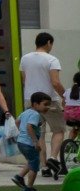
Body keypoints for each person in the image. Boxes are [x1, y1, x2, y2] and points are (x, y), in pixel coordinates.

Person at [19, 32, 66, 178]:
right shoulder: (52, 59)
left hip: (31, 100)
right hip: (48, 100)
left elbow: (24, 80)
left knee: (39, 133)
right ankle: (53, 158)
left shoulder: (25, 58)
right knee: (59, 129)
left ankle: (44, 166)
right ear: (49, 42)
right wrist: (65, 96)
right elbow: (55, 82)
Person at [11, 92, 52, 191]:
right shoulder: (35, 114)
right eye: (45, 104)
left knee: (32, 160)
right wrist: (35, 141)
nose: (47, 107)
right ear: (35, 104)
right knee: (35, 165)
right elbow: (29, 127)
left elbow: (17, 121)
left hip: (21, 142)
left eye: (48, 105)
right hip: (29, 144)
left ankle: (19, 177)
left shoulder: (26, 112)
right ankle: (29, 188)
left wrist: (22, 133)